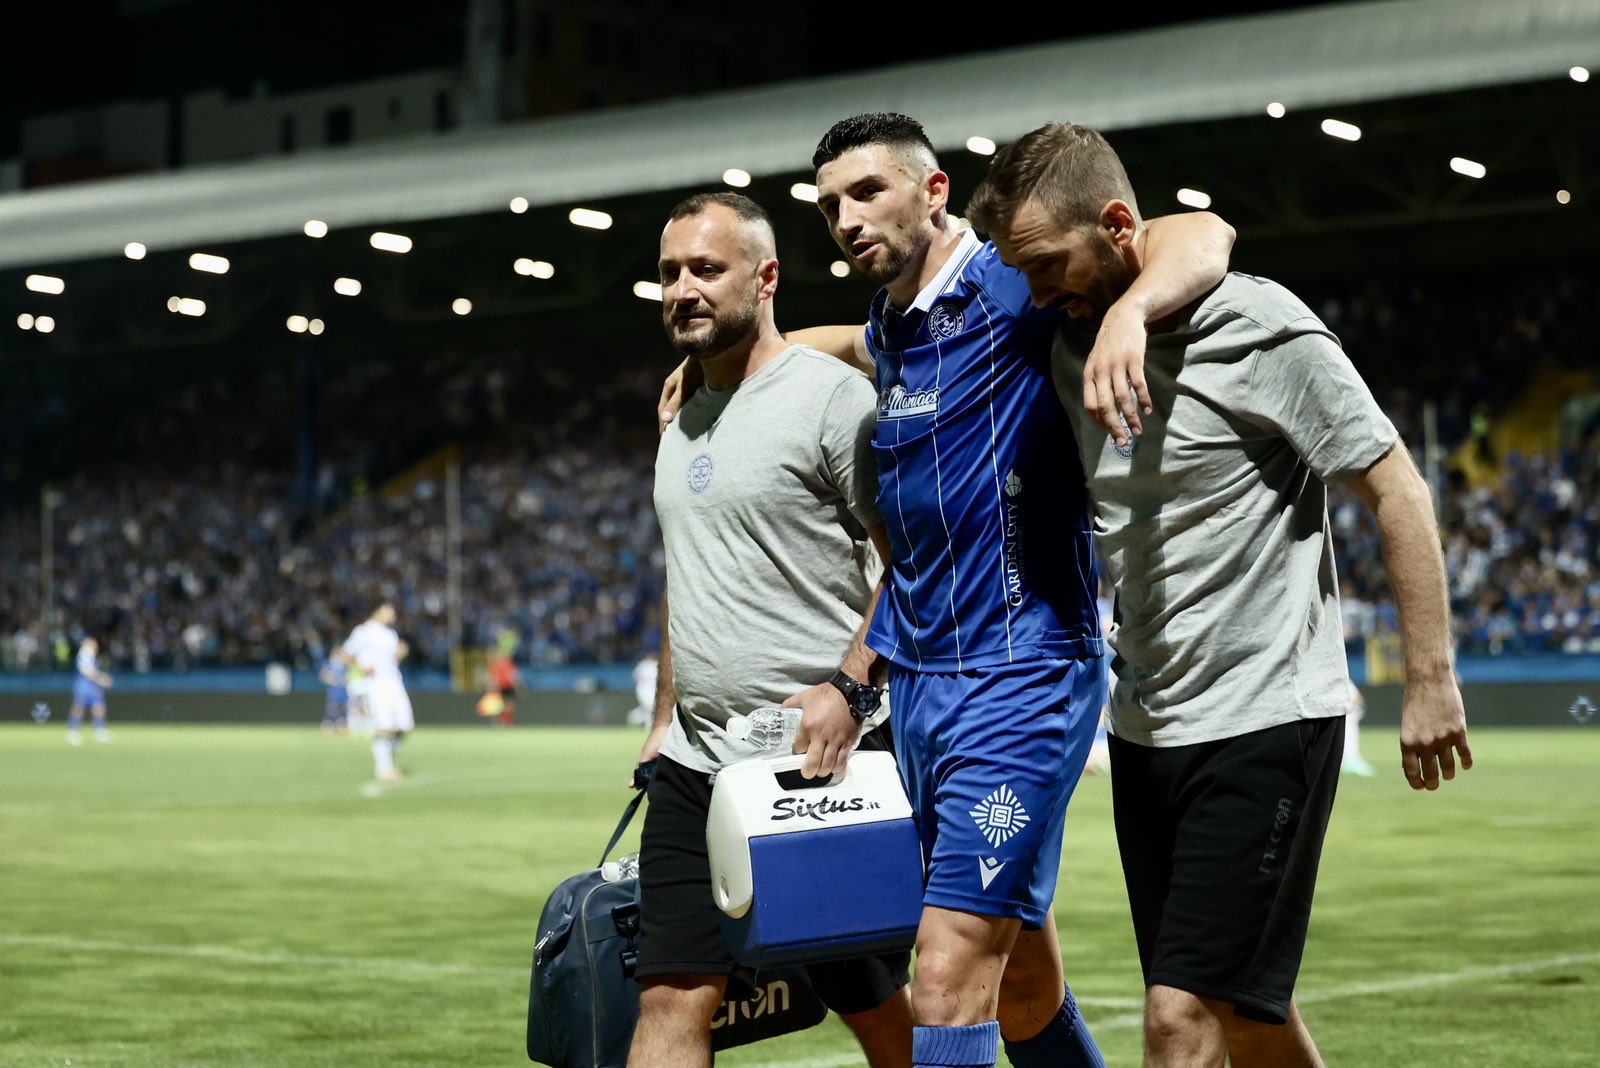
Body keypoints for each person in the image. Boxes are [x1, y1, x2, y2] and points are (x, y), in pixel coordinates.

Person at [660, 113, 1234, 1068]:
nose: (844, 219)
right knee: (1022, 981)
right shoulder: (893, 325)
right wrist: (726, 358)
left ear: (934, 192)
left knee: (945, 975)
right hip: (920, 690)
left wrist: (1129, 313)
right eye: (829, 205)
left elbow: (1198, 235)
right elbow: (853, 343)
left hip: (1021, 676)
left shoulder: (1015, 281)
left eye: (867, 192)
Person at [968, 120, 1473, 1068]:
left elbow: (1397, 488)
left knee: (1179, 1021)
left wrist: (1431, 675)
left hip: (1266, 721)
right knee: (1248, 1014)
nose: (1034, 293)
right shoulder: (1067, 341)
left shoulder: (1260, 327)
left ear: (1120, 226)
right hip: (1147, 730)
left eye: (1044, 265)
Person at [629, 191, 913, 1068]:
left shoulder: (835, 401)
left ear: (766, 277)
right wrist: (664, 715)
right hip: (697, 764)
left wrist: (852, 687)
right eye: (671, 272)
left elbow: (912, 561)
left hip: (819, 763)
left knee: (873, 1002)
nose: (683, 289)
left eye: (706, 269)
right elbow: (690, 575)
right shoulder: (679, 416)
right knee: (673, 993)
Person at [342, 603, 414, 783]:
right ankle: (384, 768)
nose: (393, 614)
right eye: (389, 610)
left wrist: (401, 655)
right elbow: (344, 654)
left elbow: (390, 660)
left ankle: (388, 759)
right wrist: (360, 667)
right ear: (377, 611)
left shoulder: (391, 634)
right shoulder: (363, 632)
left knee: (405, 725)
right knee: (384, 725)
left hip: (395, 681)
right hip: (376, 684)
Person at [67, 636, 113, 746]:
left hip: (92, 687)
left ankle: (100, 731)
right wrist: (102, 678)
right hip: (84, 686)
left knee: (99, 707)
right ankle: (73, 731)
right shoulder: (84, 655)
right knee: (79, 708)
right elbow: (87, 671)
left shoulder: (91, 657)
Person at [319, 653, 350, 735]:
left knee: (343, 708)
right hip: (334, 691)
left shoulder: (345, 666)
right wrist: (333, 680)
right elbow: (323, 676)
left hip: (343, 691)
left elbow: (348, 677)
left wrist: (344, 680)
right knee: (333, 708)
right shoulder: (329, 666)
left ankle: (342, 726)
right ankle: (327, 724)